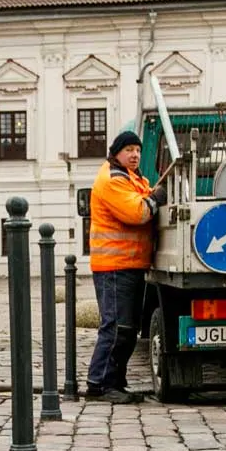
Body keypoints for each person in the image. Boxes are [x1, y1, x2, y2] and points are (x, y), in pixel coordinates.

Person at [85, 129, 166, 401]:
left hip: (129, 264)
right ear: (116, 152)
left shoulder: (133, 179)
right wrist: (157, 198)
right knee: (117, 327)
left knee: (128, 330)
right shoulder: (112, 180)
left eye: (138, 150)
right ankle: (99, 385)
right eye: (129, 150)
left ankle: (115, 382)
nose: (135, 155)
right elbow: (138, 212)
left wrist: (154, 195)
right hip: (114, 266)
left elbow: (145, 197)